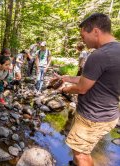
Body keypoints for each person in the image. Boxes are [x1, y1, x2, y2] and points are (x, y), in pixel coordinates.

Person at [54, 13, 120, 166]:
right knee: (83, 151)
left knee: (81, 155)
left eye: (83, 35)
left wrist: (64, 89)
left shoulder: (99, 55)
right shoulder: (116, 50)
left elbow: (82, 88)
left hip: (92, 116)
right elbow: (96, 80)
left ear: (96, 31)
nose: (82, 40)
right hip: (109, 113)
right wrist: (67, 78)